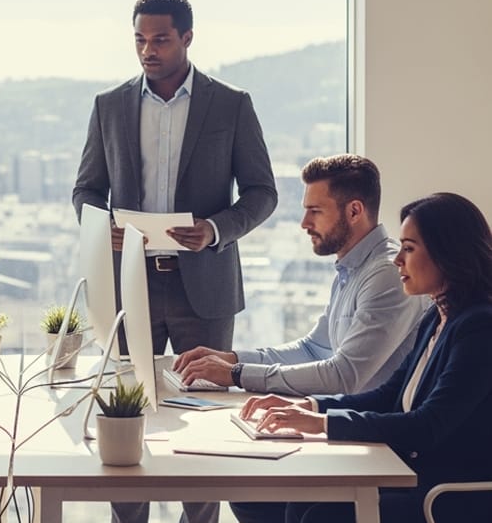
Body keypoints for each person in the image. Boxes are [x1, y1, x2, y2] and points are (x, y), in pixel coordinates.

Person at [72, 0, 277, 523]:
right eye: (140, 39)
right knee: (124, 415)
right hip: (127, 285)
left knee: (206, 421)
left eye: (160, 39)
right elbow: (86, 191)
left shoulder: (230, 104)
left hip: (202, 288)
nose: (148, 50)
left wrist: (214, 230)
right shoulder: (109, 105)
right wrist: (101, 227)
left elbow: (262, 192)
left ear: (187, 37)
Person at [232, 193, 492, 523]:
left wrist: (322, 424)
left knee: (321, 520)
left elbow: (427, 425)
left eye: (410, 249)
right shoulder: (437, 316)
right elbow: (389, 395)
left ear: (448, 255)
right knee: (277, 502)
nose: (398, 260)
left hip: (447, 495)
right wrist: (308, 406)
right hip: (409, 472)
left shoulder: (479, 329)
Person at [174, 155, 427, 395]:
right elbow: (312, 349)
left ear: (354, 211)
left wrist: (237, 374)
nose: (304, 223)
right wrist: (232, 359)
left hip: (373, 431)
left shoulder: (387, 274)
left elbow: (344, 376)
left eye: (315, 211)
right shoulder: (351, 268)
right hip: (344, 417)